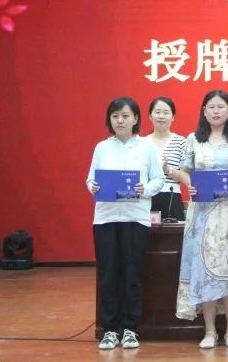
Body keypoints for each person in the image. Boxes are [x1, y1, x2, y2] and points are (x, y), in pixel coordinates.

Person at [175, 90, 228, 349]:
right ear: (204, 111)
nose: (216, 111)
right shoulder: (193, 140)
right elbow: (183, 171)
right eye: (211, 107)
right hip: (203, 211)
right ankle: (209, 331)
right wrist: (190, 184)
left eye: (221, 106)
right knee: (204, 267)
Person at [86, 97, 164, 350]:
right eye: (115, 116)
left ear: (136, 119)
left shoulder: (146, 147)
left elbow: (159, 179)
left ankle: (130, 329)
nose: (120, 120)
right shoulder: (102, 148)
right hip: (106, 218)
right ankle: (109, 330)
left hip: (135, 218)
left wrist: (144, 189)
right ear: (109, 120)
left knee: (133, 274)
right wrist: (93, 186)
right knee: (108, 274)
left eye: (125, 116)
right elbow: (90, 180)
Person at [146, 96, 189, 221]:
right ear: (150, 116)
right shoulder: (142, 143)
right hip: (146, 198)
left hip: (172, 198)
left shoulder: (181, 142)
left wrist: (168, 170)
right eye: (157, 112)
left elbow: (186, 178)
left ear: (173, 117)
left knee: (173, 234)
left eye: (166, 113)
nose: (161, 116)